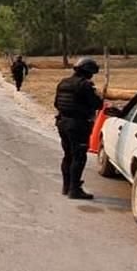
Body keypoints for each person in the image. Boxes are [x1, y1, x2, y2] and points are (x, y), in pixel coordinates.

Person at [53, 57, 103, 200]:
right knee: (79, 157)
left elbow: (56, 103)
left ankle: (66, 186)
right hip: (78, 125)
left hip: (62, 123)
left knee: (68, 155)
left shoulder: (63, 83)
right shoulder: (85, 85)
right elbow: (97, 104)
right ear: (88, 72)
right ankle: (75, 190)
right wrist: (98, 96)